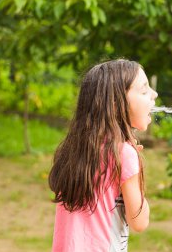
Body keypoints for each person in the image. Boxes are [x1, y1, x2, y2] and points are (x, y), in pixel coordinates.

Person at [48, 59, 158, 252]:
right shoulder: (124, 154)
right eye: (144, 90)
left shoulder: (74, 149)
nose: (154, 94)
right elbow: (140, 221)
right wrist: (136, 170)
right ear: (116, 104)